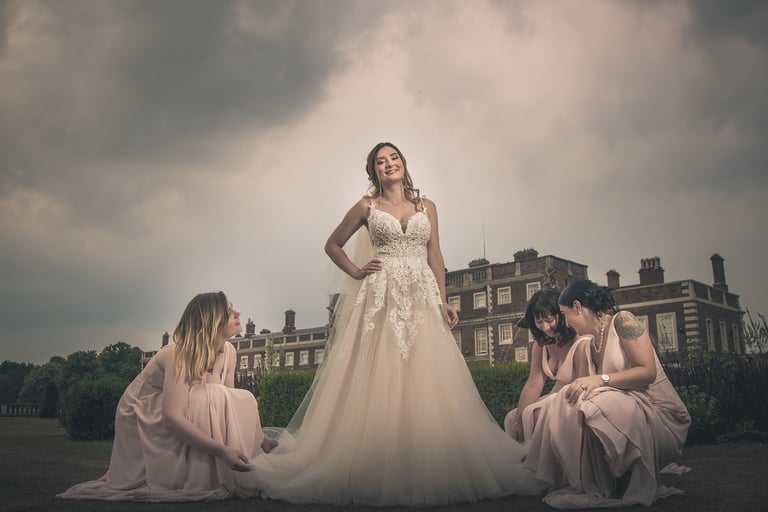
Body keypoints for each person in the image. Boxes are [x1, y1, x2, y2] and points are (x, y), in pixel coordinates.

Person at [237, 142, 544, 506]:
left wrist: (443, 299)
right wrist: (355, 271)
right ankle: (373, 463)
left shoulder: (426, 206)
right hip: (380, 295)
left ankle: (424, 460)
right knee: (377, 372)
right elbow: (332, 244)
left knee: (427, 373)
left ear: (403, 163)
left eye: (393, 158)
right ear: (374, 172)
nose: (389, 165)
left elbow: (435, 254)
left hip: (421, 293)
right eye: (381, 162)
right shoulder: (367, 206)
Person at [57, 292, 277, 502]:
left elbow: (229, 405)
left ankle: (212, 471)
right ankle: (189, 473)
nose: (238, 313)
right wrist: (222, 451)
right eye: (229, 311)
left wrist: (261, 439)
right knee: (213, 395)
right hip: (145, 410)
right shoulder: (179, 353)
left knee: (238, 396)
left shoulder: (229, 352)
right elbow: (173, 416)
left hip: (183, 405)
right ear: (212, 320)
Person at [522, 280, 691, 509]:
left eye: (565, 314)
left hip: (657, 408)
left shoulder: (623, 321)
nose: (566, 322)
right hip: (624, 404)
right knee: (570, 400)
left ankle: (619, 476)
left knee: (593, 402)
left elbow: (647, 372)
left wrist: (598, 380)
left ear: (578, 306)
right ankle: (593, 480)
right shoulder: (591, 344)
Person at [503, 288, 591, 442]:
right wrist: (518, 419)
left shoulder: (580, 341)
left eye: (549, 320)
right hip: (555, 396)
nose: (545, 327)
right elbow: (533, 383)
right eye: (539, 322)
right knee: (512, 418)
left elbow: (584, 384)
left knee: (535, 414)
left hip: (574, 398)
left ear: (561, 315)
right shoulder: (541, 345)